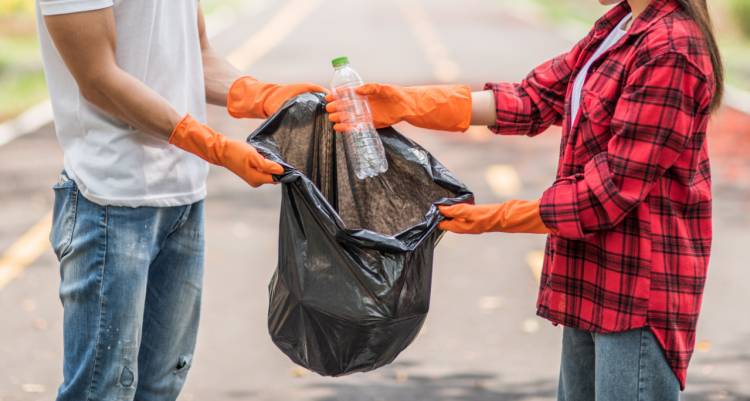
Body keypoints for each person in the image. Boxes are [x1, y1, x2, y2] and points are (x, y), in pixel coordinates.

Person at [326, 0, 721, 399]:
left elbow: (610, 193)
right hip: (590, 280)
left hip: (637, 292)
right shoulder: (619, 26)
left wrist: (495, 218)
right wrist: (407, 105)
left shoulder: (671, 48)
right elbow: (533, 99)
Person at [36, 1, 326, 400]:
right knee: (100, 391)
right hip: (110, 200)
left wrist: (265, 96)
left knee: (161, 387)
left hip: (182, 196)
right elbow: (98, 79)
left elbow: (198, 55)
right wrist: (216, 147)